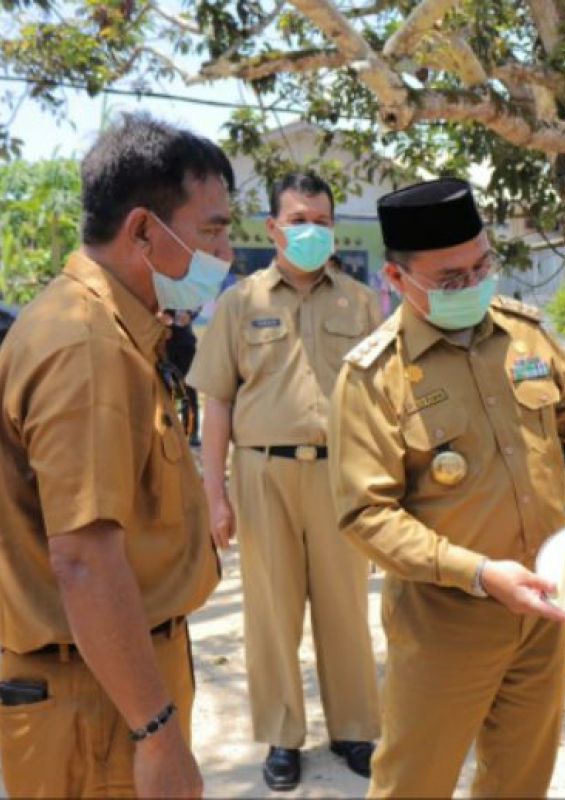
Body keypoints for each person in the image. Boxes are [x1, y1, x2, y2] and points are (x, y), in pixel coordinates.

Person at [328, 177, 565, 798]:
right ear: (398, 280)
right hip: (448, 624)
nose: (472, 284)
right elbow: (367, 514)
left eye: (481, 265)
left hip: (544, 610)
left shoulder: (522, 334)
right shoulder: (372, 376)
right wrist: (477, 572)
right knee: (414, 784)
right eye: (450, 279)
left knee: (521, 780)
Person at [0, 113, 228, 797]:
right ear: (142, 232)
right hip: (98, 708)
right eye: (212, 228)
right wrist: (157, 733)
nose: (226, 250)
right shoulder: (87, 348)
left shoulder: (120, 332)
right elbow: (84, 558)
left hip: (110, 685)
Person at [187, 171, 382, 791]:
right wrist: (214, 494)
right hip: (262, 471)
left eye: (323, 222)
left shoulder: (362, 301)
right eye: (299, 221)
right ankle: (281, 735)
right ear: (273, 227)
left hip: (340, 475)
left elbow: (380, 399)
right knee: (270, 612)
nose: (311, 232)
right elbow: (216, 401)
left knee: (345, 607)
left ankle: (354, 729)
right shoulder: (240, 302)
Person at [162, 308, 201, 445]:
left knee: (189, 389)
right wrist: (167, 316)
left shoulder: (187, 289)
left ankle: (192, 432)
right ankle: (169, 430)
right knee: (168, 389)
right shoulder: (164, 288)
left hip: (186, 345)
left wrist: (190, 314)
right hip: (167, 344)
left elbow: (197, 304)